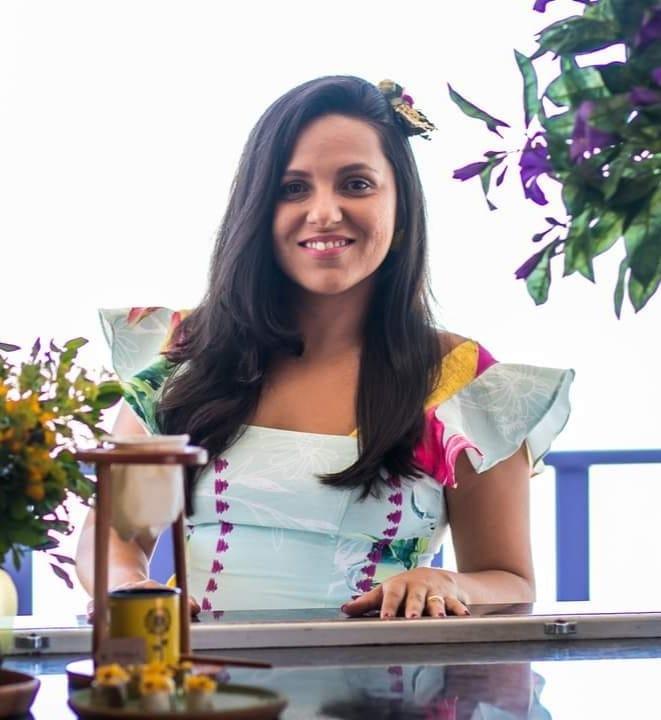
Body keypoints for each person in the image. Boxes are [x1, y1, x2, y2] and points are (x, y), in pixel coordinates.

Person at [76, 75, 573, 619]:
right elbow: (118, 538)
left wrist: (446, 581)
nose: (324, 212)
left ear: (401, 208)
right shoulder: (187, 359)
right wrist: (129, 589)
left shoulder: (461, 380)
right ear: (256, 210)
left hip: (391, 676)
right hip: (197, 674)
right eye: (293, 188)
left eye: (356, 184)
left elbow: (509, 580)